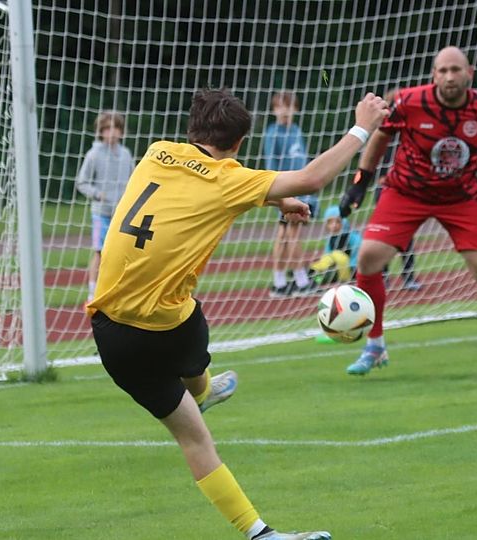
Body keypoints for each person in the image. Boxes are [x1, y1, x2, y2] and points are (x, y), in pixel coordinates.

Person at [87, 88, 388, 537]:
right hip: (170, 329)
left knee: (192, 437)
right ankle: (203, 389)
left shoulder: (156, 152)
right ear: (241, 143)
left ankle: (260, 532)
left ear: (192, 130)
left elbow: (208, 181)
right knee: (191, 327)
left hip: (108, 332)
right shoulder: (229, 179)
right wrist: (362, 126)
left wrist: (268, 198)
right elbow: (309, 179)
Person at [339, 46, 477, 377]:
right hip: (405, 191)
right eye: (443, 70)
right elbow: (381, 137)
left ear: (469, 73)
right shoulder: (409, 101)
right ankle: (374, 346)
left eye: (456, 70)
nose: (449, 76)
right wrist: (361, 182)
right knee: (368, 258)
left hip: (460, 197)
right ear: (434, 75)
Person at [74, 111, 134, 302]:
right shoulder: (93, 154)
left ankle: (120, 289)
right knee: (100, 251)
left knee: (124, 252)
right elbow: (82, 182)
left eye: (115, 128)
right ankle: (92, 291)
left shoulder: (125, 154)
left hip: (123, 213)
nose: (112, 132)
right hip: (102, 213)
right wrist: (98, 194)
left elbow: (133, 180)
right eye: (107, 128)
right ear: (100, 131)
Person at [265, 91, 317, 297]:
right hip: (286, 190)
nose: (284, 110)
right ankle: (299, 280)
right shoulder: (273, 133)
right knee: (289, 234)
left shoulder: (295, 130)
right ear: (273, 110)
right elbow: (271, 165)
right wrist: (280, 195)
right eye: (279, 106)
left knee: (287, 235)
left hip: (301, 191)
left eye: (288, 106)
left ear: (295, 109)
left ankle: (282, 282)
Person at [374, 87, 422, 292]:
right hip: (385, 188)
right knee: (382, 235)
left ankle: (408, 276)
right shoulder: (382, 131)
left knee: (407, 235)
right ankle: (383, 276)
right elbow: (371, 159)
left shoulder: (409, 130)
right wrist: (380, 177)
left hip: (405, 188)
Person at [307, 205, 362, 288]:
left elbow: (358, 253)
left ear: (343, 221)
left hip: (350, 270)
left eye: (337, 222)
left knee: (336, 256)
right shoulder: (330, 239)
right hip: (336, 268)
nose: (334, 225)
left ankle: (317, 279)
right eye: (330, 222)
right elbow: (327, 255)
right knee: (319, 269)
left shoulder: (351, 236)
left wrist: (352, 266)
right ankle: (313, 278)